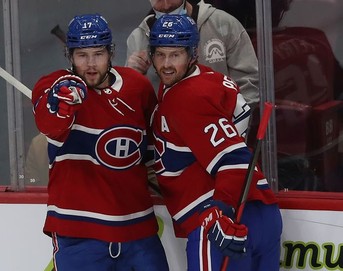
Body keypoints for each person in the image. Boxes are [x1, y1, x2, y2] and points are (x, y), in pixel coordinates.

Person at [31, 13, 169, 270]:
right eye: (82, 55)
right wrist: (64, 100)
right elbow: (49, 124)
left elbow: (156, 150)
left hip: (138, 230)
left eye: (98, 54)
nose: (91, 64)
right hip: (78, 233)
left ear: (110, 53)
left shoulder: (137, 87)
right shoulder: (51, 86)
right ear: (69, 56)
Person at [149, 14, 282, 270]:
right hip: (263, 212)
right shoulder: (208, 78)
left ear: (193, 53)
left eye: (175, 55)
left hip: (221, 221)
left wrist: (219, 210)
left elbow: (235, 160)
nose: (166, 63)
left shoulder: (185, 97)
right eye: (160, 54)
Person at [126, 0, 259, 107]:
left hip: (220, 128)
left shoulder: (223, 25)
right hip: (166, 132)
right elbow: (130, 103)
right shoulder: (139, 38)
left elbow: (250, 84)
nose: (166, 4)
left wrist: (233, 123)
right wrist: (132, 76)